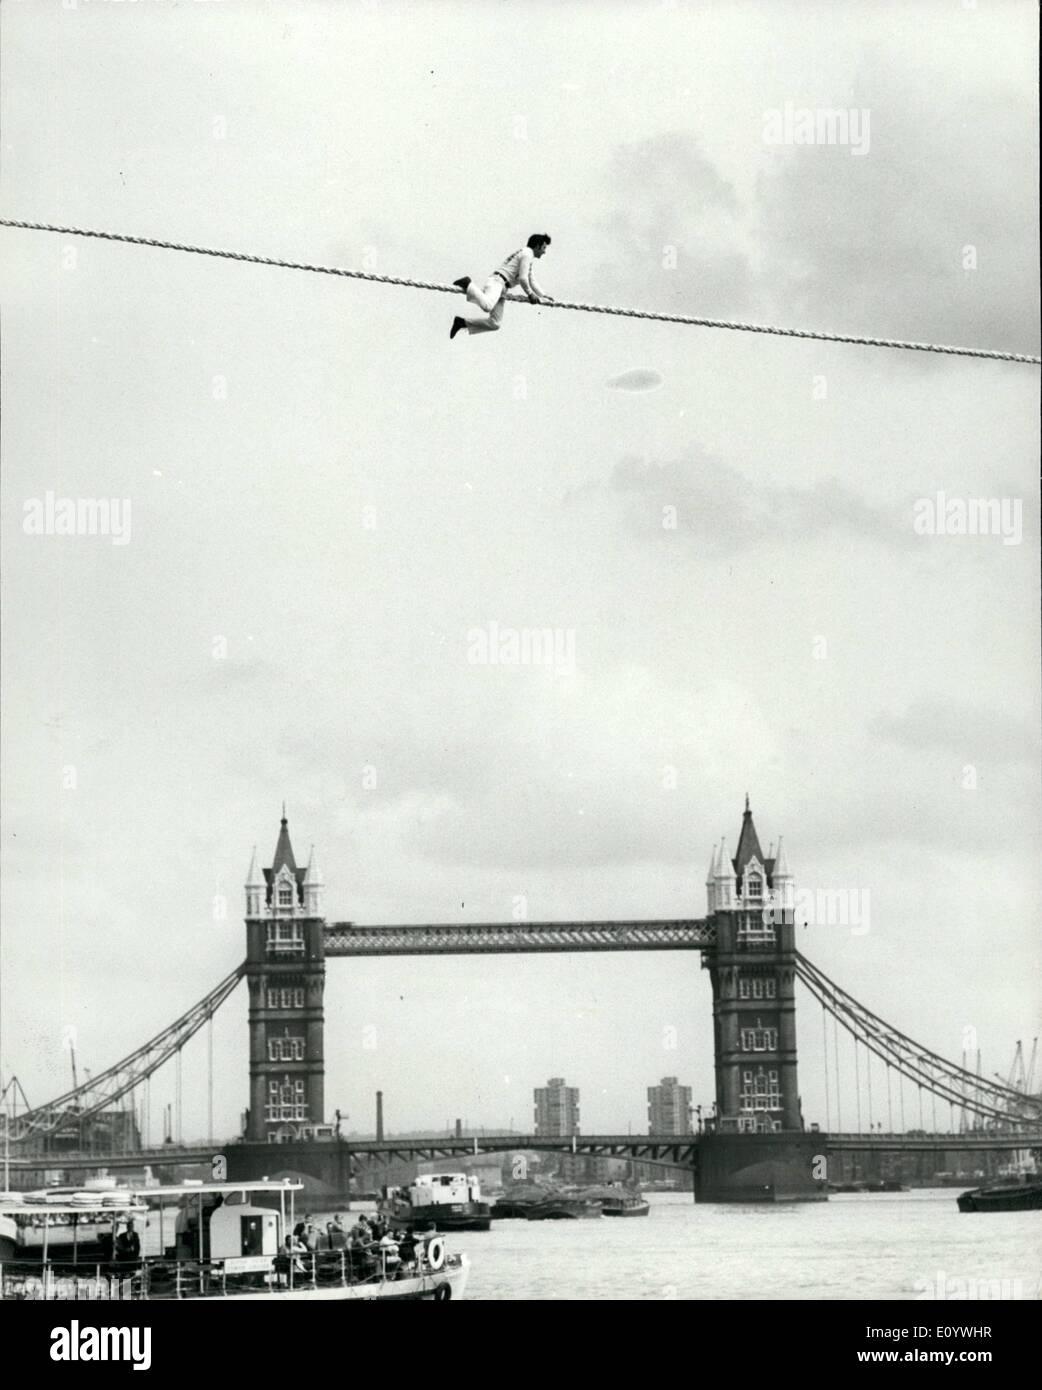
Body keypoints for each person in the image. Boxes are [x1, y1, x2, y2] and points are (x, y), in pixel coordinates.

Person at [451, 234, 554, 338]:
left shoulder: (527, 255)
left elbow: (531, 280)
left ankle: (462, 323)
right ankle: (468, 284)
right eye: (544, 248)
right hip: (498, 282)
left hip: (502, 287)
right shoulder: (527, 254)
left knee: (495, 324)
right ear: (537, 246)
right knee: (487, 306)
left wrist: (543, 295)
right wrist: (530, 294)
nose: (544, 251)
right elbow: (523, 279)